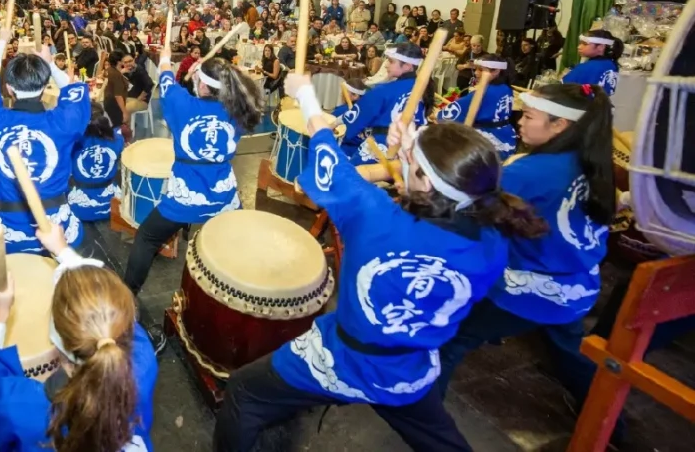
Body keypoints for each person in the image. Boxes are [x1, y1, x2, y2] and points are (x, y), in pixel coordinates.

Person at [215, 74, 547, 452]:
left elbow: (326, 149)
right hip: (410, 368)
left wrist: (305, 95)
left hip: (347, 359)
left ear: (427, 183)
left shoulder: (375, 217)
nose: (403, 161)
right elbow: (431, 200)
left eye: (411, 163)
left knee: (244, 392)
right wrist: (411, 151)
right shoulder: (495, 237)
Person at [436, 83, 615, 415]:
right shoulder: (590, 162)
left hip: (535, 287)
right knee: (569, 351)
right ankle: (607, 419)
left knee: (450, 337)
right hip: (580, 286)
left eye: (529, 115)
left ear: (560, 125)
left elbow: (466, 210)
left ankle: (424, 417)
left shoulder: (531, 172)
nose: (520, 120)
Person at [0, 223, 157, 452]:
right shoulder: (143, 360)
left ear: (56, 339)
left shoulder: (26, 408)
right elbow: (112, 313)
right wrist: (64, 251)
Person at [123, 31, 263, 296]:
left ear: (201, 84)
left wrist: (166, 60)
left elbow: (166, 77)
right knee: (233, 240)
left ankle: (128, 294)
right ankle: (234, 290)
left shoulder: (181, 104)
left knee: (147, 237)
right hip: (224, 199)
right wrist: (203, 75)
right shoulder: (238, 109)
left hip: (184, 199)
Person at [0, 24, 91, 261]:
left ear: (8, 89)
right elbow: (74, 89)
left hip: (10, 225)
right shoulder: (64, 120)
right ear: (45, 86)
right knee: (89, 260)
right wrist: (50, 64)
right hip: (60, 224)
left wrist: (2, 42)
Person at [332, 43, 428, 166]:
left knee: (348, 173)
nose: (386, 65)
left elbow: (360, 114)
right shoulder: (422, 88)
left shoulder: (385, 90)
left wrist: (333, 124)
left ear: (407, 66)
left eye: (391, 61)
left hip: (384, 143)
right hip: (411, 148)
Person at [436, 55, 517, 155]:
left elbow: (447, 116)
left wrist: (438, 114)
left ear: (496, 71)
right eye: (476, 69)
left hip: (489, 141)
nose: (476, 73)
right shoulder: (506, 88)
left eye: (481, 70)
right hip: (507, 137)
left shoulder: (482, 93)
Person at [68, 102, 125, 225]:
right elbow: (117, 132)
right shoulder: (117, 140)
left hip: (78, 208)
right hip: (111, 206)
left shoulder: (71, 143)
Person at [562, 29, 622, 96]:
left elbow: (563, 89)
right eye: (580, 43)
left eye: (584, 44)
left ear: (601, 47)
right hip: (603, 105)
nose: (579, 47)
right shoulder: (611, 64)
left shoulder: (584, 68)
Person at [103, 52, 132, 139]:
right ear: (119, 61)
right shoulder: (116, 75)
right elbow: (118, 95)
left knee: (116, 124)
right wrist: (124, 112)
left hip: (109, 101)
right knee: (119, 127)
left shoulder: (110, 70)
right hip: (115, 104)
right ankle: (119, 145)